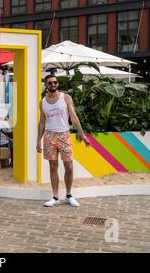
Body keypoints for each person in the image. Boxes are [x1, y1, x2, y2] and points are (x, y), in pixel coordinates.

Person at [36, 74, 91, 208]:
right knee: (53, 167)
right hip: (49, 136)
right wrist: (38, 140)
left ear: (58, 84)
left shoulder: (65, 98)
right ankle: (55, 197)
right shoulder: (42, 102)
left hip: (64, 135)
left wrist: (82, 135)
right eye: (50, 83)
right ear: (46, 85)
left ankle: (68, 195)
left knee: (69, 167)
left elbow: (74, 117)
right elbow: (42, 122)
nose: (53, 85)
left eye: (55, 82)